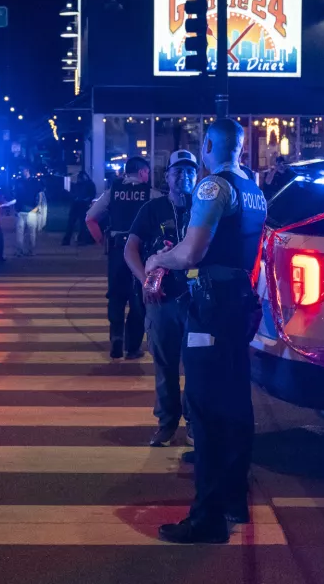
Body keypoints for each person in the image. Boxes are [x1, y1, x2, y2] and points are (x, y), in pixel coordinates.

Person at [145, 119, 267, 544]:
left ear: (211, 144)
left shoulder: (213, 187)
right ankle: (235, 501)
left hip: (212, 305)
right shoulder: (254, 188)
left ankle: (207, 519)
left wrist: (159, 261)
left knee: (207, 409)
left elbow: (193, 251)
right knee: (236, 403)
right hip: (239, 302)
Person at [124, 150, 198, 447]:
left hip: (195, 299)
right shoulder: (152, 209)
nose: (184, 177)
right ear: (166, 176)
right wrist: (145, 280)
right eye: (177, 171)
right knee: (165, 364)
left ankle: (193, 422)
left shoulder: (204, 208)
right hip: (161, 300)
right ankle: (166, 423)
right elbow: (130, 249)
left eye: (190, 172)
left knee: (195, 364)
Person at [86, 156, 162, 359]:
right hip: (142, 254)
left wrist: (101, 240)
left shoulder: (113, 192)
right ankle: (133, 345)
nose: (148, 176)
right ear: (142, 172)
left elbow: (90, 218)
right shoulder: (151, 194)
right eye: (147, 172)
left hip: (118, 250)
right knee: (139, 295)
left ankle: (116, 339)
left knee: (116, 295)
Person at [14, 167, 45, 256]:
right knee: (20, 232)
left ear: (27, 171)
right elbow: (16, 195)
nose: (22, 172)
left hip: (31, 210)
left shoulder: (34, 182)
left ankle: (31, 250)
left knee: (31, 232)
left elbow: (40, 195)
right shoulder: (18, 182)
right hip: (21, 210)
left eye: (23, 170)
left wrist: (37, 206)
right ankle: (20, 250)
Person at [62, 171, 97, 246]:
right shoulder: (84, 184)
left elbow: (92, 195)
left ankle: (79, 239)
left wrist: (85, 199)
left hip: (82, 205)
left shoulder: (87, 184)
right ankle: (74, 239)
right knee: (75, 223)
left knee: (80, 224)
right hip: (78, 205)